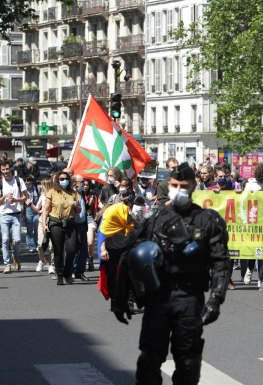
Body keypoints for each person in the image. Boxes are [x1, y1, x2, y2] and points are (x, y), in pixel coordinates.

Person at [110, 162, 230, 384]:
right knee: (148, 361)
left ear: (194, 186)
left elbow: (221, 262)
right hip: (158, 297)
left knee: (188, 363)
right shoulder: (152, 219)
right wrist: (119, 298)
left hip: (189, 297)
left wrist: (215, 299)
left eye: (183, 185)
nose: (178, 189)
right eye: (174, 185)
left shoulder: (208, 221)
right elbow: (128, 257)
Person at [41, 171, 81, 285]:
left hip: (70, 223)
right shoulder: (52, 192)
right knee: (58, 251)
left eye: (66, 178)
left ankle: (67, 272)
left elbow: (79, 211)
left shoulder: (74, 193)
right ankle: (59, 274)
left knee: (71, 249)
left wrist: (77, 207)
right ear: (58, 180)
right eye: (61, 179)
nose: (64, 181)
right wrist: (44, 224)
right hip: (56, 223)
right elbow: (46, 209)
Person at [99, 185, 136, 305]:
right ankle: (115, 298)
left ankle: (129, 299)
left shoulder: (136, 214)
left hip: (126, 247)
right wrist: (103, 249)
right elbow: (103, 232)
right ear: (128, 207)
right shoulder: (112, 212)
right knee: (112, 276)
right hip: (110, 249)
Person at [242, 162, 263, 284]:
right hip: (254, 220)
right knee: (254, 249)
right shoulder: (251, 184)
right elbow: (244, 203)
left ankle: (262, 277)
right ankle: (250, 269)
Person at [0, 160, 28, 274]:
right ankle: (7, 264)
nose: (5, 171)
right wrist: (5, 196)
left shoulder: (18, 181)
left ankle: (15, 257)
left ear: (11, 169)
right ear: (1, 170)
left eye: (7, 169)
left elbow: (25, 197)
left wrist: (16, 200)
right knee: (5, 240)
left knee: (18, 240)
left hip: (16, 214)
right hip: (4, 214)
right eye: (3, 169)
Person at [71, 175, 90, 281]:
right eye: (81, 182)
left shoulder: (81, 192)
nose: (84, 183)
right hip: (74, 225)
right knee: (72, 249)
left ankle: (79, 271)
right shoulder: (70, 194)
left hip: (82, 224)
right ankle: (70, 271)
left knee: (83, 249)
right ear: (75, 183)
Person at [34, 179, 54, 273]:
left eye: (43, 185)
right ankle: (42, 260)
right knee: (40, 244)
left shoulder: (54, 196)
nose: (41, 187)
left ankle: (52, 264)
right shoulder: (42, 196)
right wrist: (30, 204)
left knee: (52, 246)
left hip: (52, 220)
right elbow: (37, 208)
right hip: (42, 220)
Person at [23, 175, 41, 254]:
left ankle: (37, 244)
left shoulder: (37, 189)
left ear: (32, 181)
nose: (27, 182)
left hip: (36, 209)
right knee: (29, 228)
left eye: (28, 180)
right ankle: (31, 246)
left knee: (36, 227)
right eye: (25, 180)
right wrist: (21, 214)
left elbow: (40, 199)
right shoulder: (23, 191)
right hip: (28, 210)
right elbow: (21, 203)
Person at [83, 179, 98, 272]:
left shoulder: (93, 196)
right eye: (83, 185)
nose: (85, 187)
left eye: (87, 185)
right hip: (80, 219)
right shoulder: (78, 195)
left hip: (89, 218)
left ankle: (90, 260)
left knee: (90, 241)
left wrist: (96, 221)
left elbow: (95, 210)